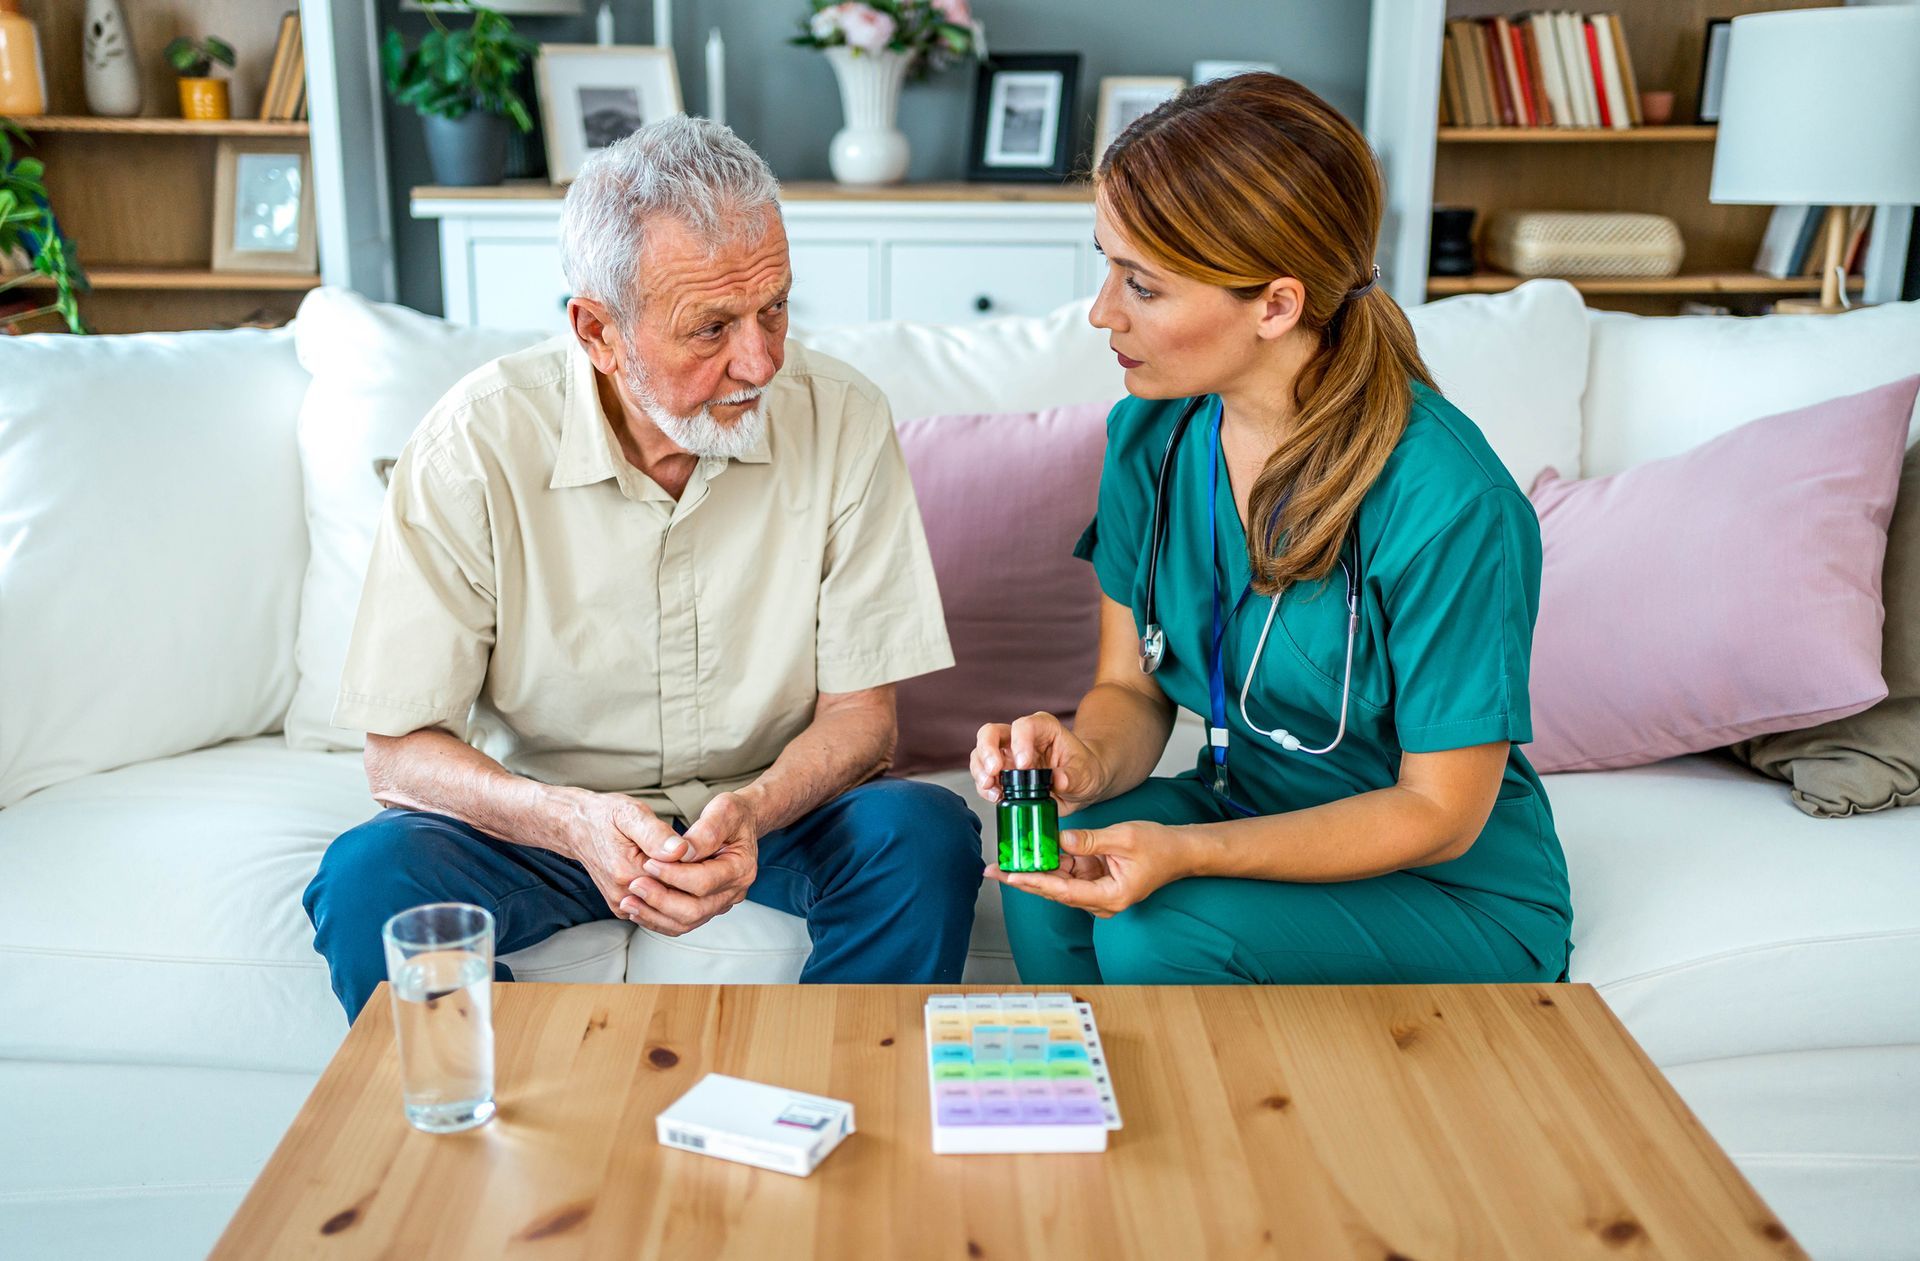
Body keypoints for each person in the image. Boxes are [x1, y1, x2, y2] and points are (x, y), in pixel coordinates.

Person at [304, 116, 982, 1019]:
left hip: (768, 816)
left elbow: (863, 718)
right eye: (711, 327)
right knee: (365, 882)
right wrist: (569, 819)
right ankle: (511, 1136)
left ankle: (833, 1100)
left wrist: (756, 809)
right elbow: (397, 753)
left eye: (775, 306)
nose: (762, 359)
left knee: (925, 835)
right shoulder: (475, 443)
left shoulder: (843, 417)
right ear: (597, 331)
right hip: (548, 824)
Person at [969, 74, 1573, 986]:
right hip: (1246, 807)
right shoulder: (1153, 438)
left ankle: (1214, 1124)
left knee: (1157, 930)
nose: (1102, 311)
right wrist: (1082, 761)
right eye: (1107, 266)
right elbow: (1128, 689)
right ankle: (1107, 1114)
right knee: (1045, 869)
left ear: (1278, 305)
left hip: (1450, 886)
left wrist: (1194, 855)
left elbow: (1439, 811)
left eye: (1142, 284)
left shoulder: (1450, 501)